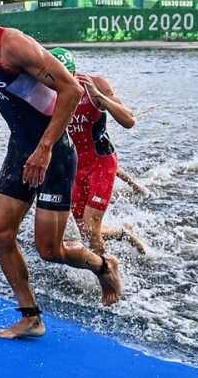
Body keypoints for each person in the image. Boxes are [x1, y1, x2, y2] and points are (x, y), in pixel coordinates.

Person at [0, 0, 122, 340]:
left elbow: (71, 90)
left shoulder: (14, 45)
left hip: (54, 154)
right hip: (20, 150)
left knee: (49, 250)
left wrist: (46, 147)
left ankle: (102, 265)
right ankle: (31, 317)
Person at [49, 47, 145, 255]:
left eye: (68, 77)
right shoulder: (44, 92)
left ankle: (105, 273)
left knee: (91, 229)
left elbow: (129, 121)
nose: (63, 85)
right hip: (74, 166)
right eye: (57, 79)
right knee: (84, 229)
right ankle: (124, 233)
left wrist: (100, 96)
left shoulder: (96, 85)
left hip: (101, 163)